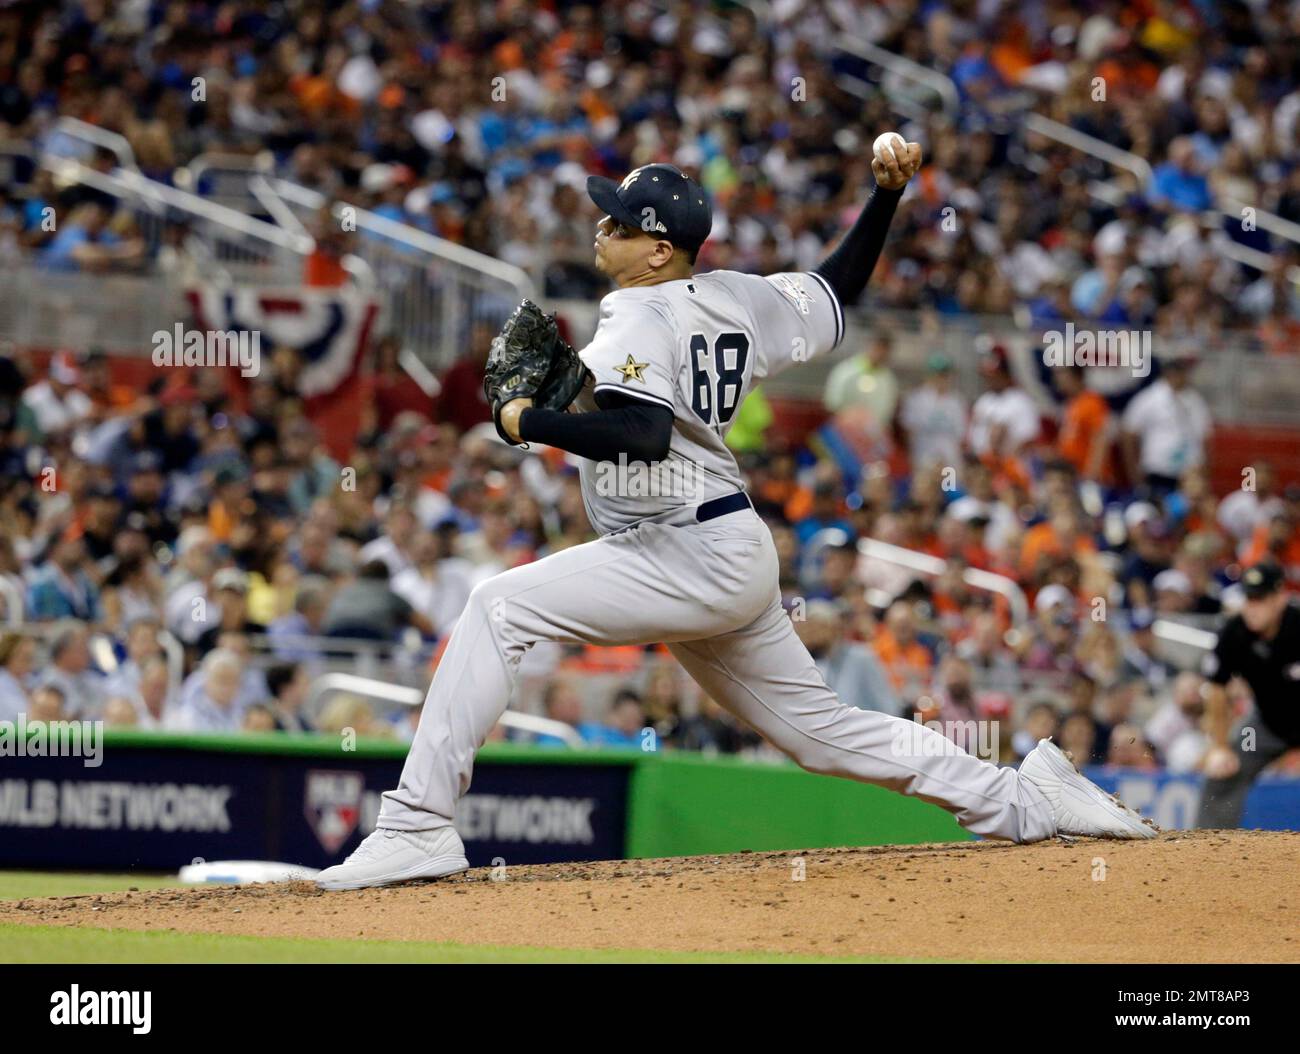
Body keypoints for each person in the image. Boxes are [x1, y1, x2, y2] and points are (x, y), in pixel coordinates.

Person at [317, 149, 1154, 891]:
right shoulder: (739, 297)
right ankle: (1022, 794)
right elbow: (835, 287)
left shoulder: (638, 311)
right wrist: (885, 196)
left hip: (683, 547)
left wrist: (521, 423)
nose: (600, 227)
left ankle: (416, 824)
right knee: (820, 735)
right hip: (722, 547)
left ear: (657, 248)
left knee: (497, 606)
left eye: (618, 220)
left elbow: (640, 436)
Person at [1197, 563, 1300, 828]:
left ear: (1280, 597)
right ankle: (1209, 853)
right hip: (1267, 726)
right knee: (1223, 771)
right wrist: (1219, 746)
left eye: (1260, 598)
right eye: (1248, 598)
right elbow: (1217, 689)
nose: (1252, 606)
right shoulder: (1235, 633)